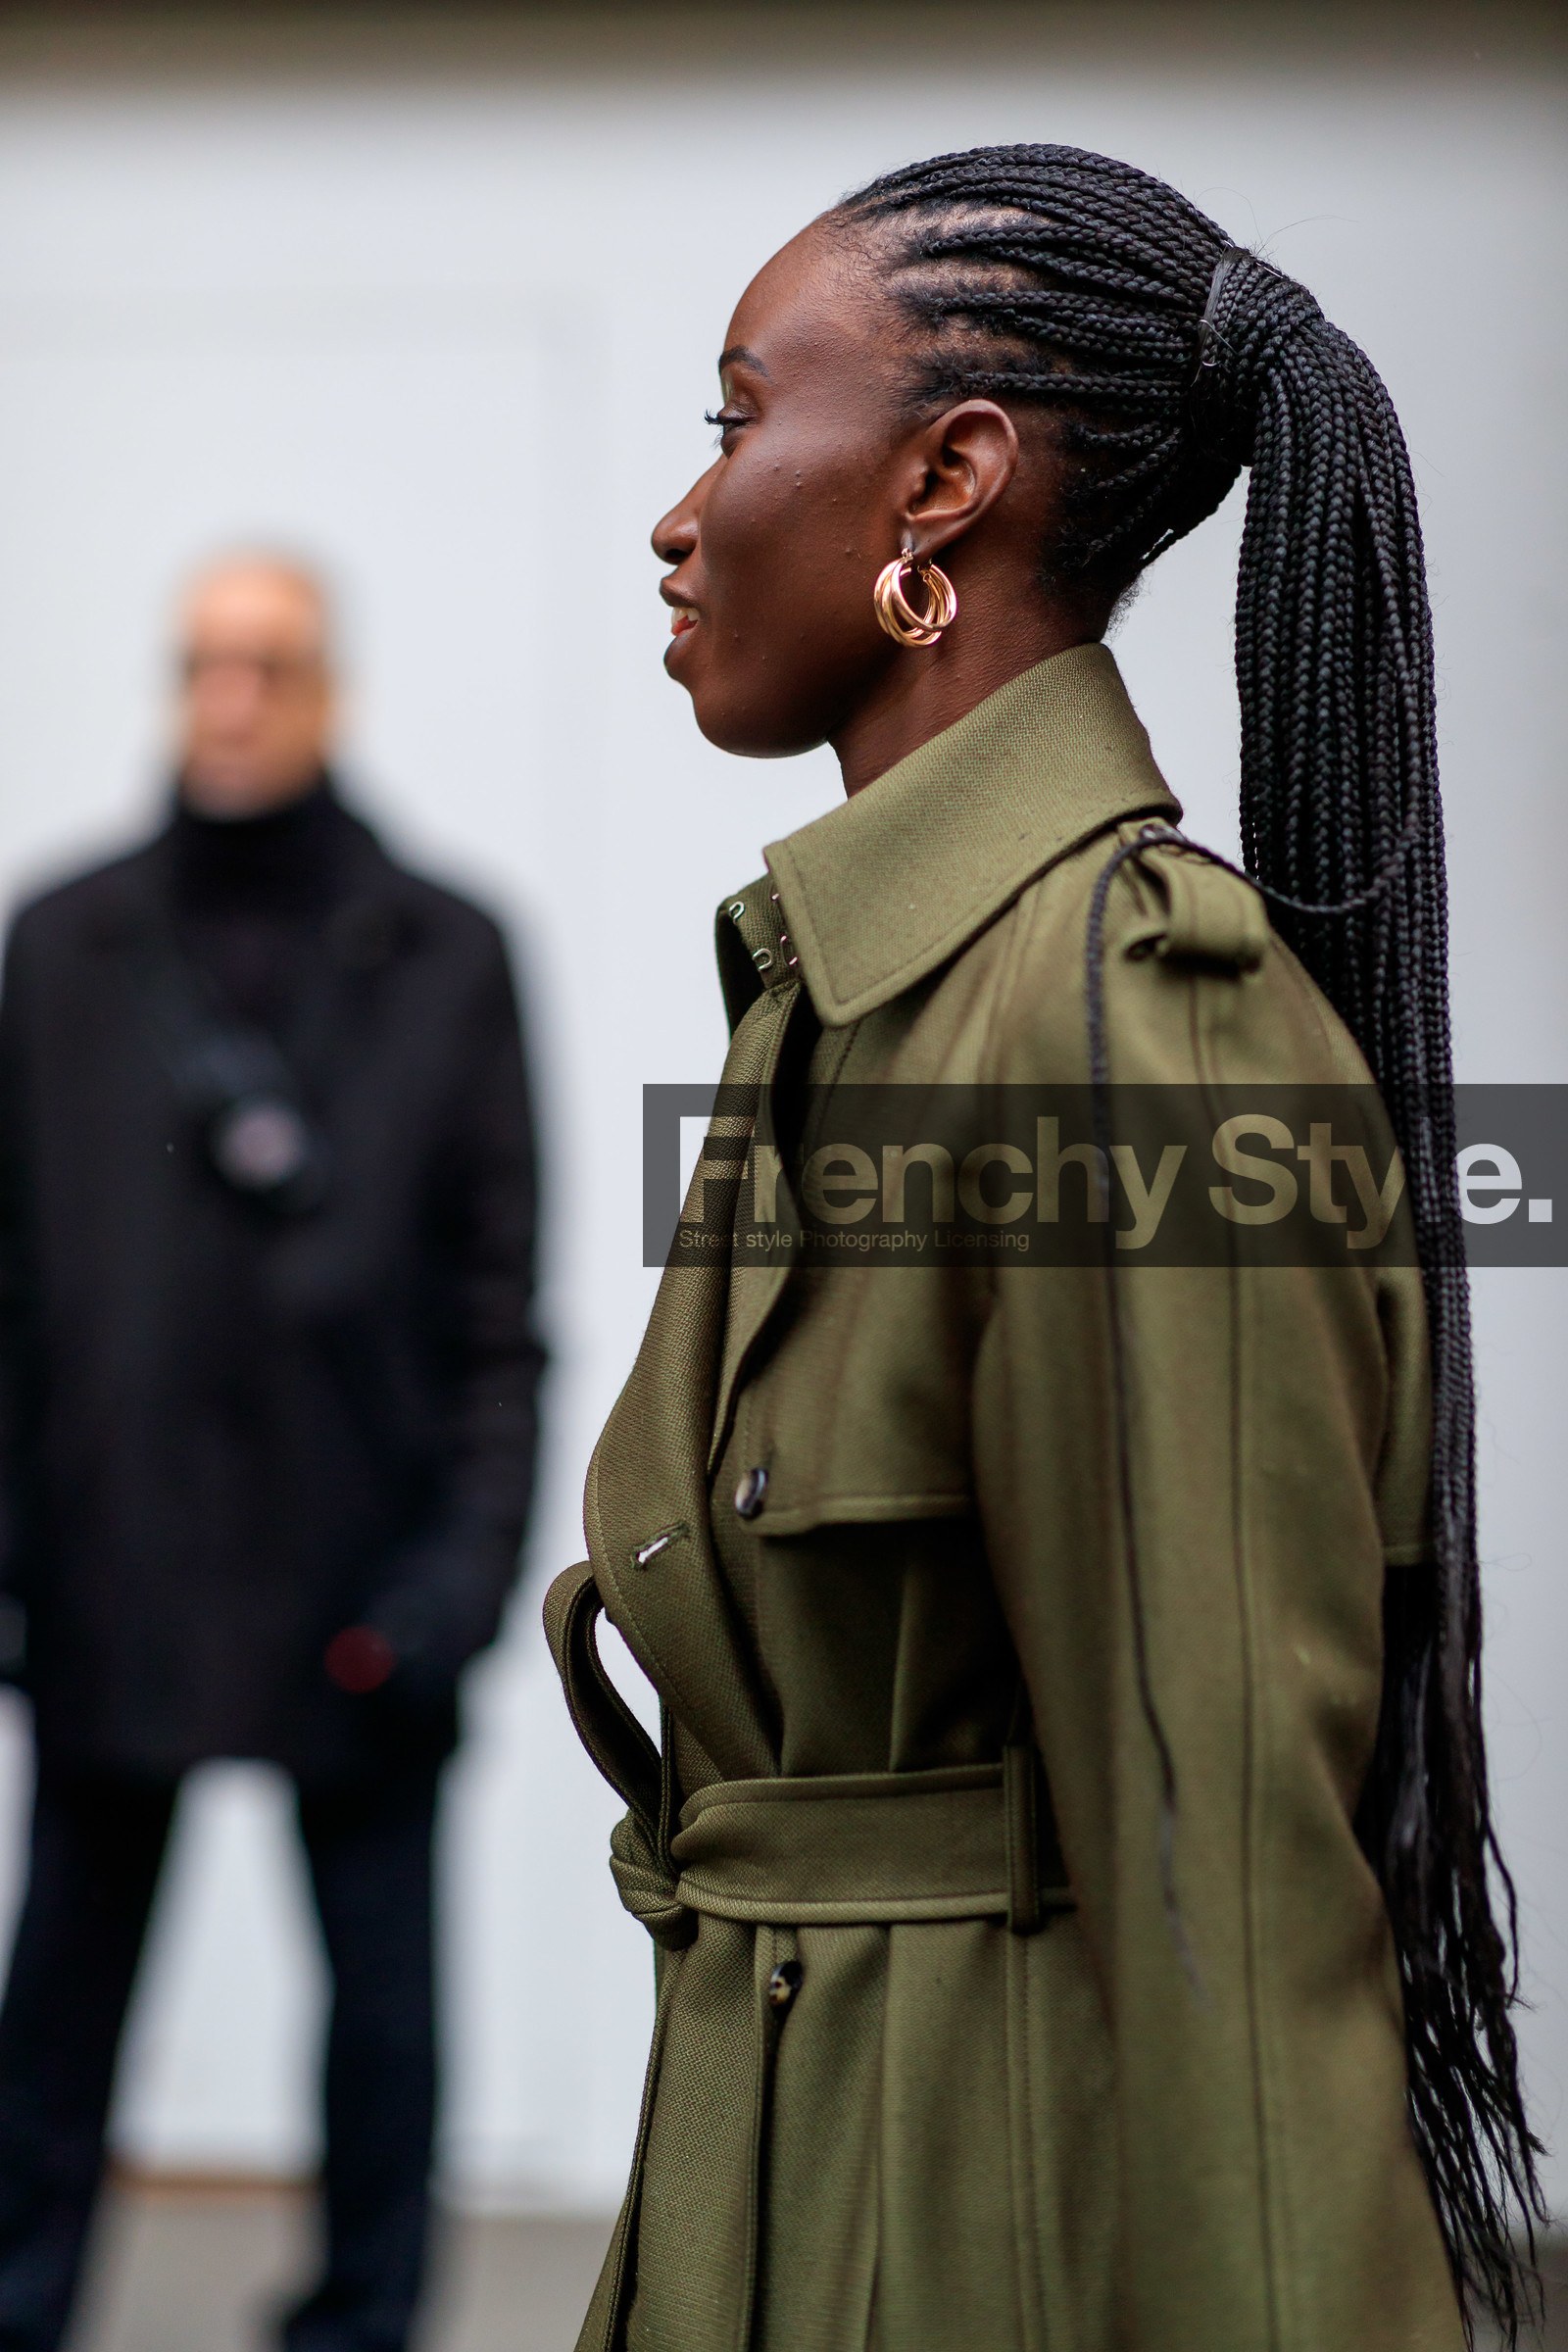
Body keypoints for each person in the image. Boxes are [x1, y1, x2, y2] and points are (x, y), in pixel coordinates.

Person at [545, 145, 1542, 2351]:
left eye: (732, 419)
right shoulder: (854, 990)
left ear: (944, 483)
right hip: (775, 2181)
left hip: (976, 2239)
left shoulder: (1119, 1028)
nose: (680, 513)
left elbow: (1236, 1913)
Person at [0, 556, 544, 2352]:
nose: (227, 699)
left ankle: (360, 2333)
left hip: (358, 1592)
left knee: (384, 2034)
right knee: (53, 2030)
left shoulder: (451, 954)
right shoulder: (63, 942)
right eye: (200, 665)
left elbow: (498, 1314)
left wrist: (455, 1591)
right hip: (107, 1578)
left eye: (268, 665)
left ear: (334, 692)